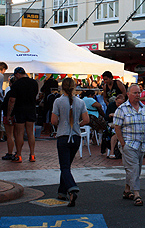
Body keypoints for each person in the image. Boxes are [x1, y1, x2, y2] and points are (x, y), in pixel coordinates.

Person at [114, 84, 145, 206]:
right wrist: (122, 143)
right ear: (128, 94)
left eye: (139, 93)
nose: (137, 95)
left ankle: (127, 190)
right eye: (135, 93)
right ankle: (137, 194)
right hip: (129, 144)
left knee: (136, 169)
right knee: (133, 169)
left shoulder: (143, 108)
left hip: (141, 144)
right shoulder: (122, 109)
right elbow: (117, 127)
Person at [51, 77, 89, 207]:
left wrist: (61, 121)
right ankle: (62, 191)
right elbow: (87, 119)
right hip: (76, 136)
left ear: (62, 87)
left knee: (64, 166)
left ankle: (72, 188)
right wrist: (77, 124)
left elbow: (53, 120)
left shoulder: (58, 101)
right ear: (74, 87)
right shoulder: (80, 102)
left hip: (63, 135)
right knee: (67, 165)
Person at [7, 67, 39, 163]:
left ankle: (19, 155)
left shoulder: (16, 84)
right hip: (31, 109)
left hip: (20, 110)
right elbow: (36, 95)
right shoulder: (34, 83)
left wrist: (9, 114)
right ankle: (32, 154)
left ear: (17, 74)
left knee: (19, 133)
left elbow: (12, 100)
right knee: (30, 133)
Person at [104, 94, 125, 158]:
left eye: (121, 103)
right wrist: (110, 115)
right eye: (118, 103)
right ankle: (112, 151)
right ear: (115, 100)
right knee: (115, 132)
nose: (119, 105)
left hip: (122, 124)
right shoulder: (111, 105)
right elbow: (106, 117)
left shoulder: (124, 107)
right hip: (112, 123)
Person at [1, 76, 17, 160]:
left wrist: (8, 115)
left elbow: (7, 103)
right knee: (17, 135)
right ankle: (18, 152)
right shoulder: (20, 93)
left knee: (9, 135)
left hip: (9, 115)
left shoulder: (10, 93)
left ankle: (10, 152)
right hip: (18, 115)